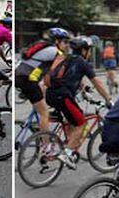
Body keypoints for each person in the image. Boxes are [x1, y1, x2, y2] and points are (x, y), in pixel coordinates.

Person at [45, 36, 112, 169]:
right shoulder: (82, 62)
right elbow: (97, 82)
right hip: (63, 97)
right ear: (83, 50)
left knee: (73, 119)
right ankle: (67, 153)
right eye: (89, 50)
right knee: (81, 124)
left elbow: (72, 77)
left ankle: (67, 144)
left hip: (51, 95)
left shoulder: (66, 58)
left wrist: (84, 90)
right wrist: (108, 99)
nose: (89, 53)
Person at [15, 28, 70, 133]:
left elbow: (44, 72)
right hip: (28, 80)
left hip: (20, 76)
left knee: (41, 96)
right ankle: (46, 144)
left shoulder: (41, 47)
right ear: (57, 41)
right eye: (65, 42)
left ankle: (37, 124)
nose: (67, 45)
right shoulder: (56, 52)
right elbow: (57, 75)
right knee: (44, 113)